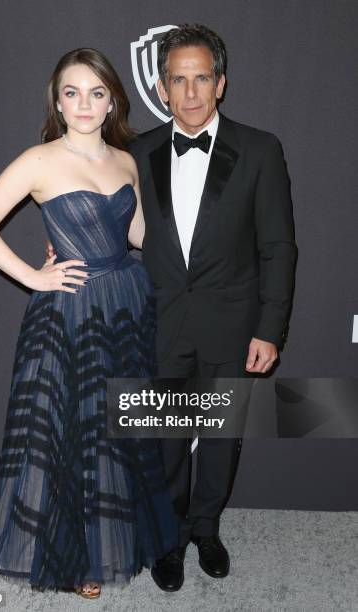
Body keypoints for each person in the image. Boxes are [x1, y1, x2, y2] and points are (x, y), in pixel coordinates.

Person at [49, 23, 298, 591]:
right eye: (177, 80)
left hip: (233, 323)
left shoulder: (260, 150)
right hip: (157, 319)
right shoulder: (137, 152)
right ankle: (167, 536)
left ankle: (206, 528)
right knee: (163, 442)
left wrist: (270, 327)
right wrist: (67, 239)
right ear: (162, 88)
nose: (189, 93)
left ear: (221, 83)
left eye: (201, 79)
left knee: (218, 440)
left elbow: (278, 247)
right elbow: (111, 220)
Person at [0, 48, 177, 599]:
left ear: (111, 103)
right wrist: (34, 277)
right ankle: (78, 554)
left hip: (127, 299)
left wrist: (201, 247)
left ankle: (121, 534)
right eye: (72, 92)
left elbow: (138, 235)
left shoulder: (127, 161)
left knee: (119, 427)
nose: (84, 103)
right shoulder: (39, 160)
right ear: (58, 102)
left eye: (96, 93)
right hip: (71, 308)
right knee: (72, 432)